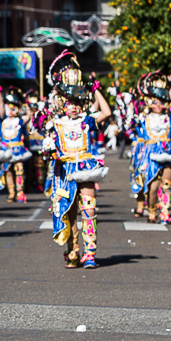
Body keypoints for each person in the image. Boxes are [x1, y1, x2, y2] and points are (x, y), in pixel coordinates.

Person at [42, 51, 111, 269]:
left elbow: (106, 112)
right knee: (68, 215)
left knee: (89, 211)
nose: (74, 106)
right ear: (63, 102)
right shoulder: (55, 123)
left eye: (78, 102)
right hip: (64, 171)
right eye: (70, 102)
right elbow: (47, 147)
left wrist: (95, 88)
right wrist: (51, 152)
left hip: (85, 168)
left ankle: (90, 253)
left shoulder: (87, 120)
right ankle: (72, 252)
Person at [133, 72, 171, 224]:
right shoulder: (144, 117)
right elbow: (137, 106)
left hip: (168, 151)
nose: (158, 105)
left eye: (161, 102)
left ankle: (165, 212)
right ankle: (151, 210)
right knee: (152, 187)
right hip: (151, 153)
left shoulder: (169, 117)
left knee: (166, 184)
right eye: (155, 102)